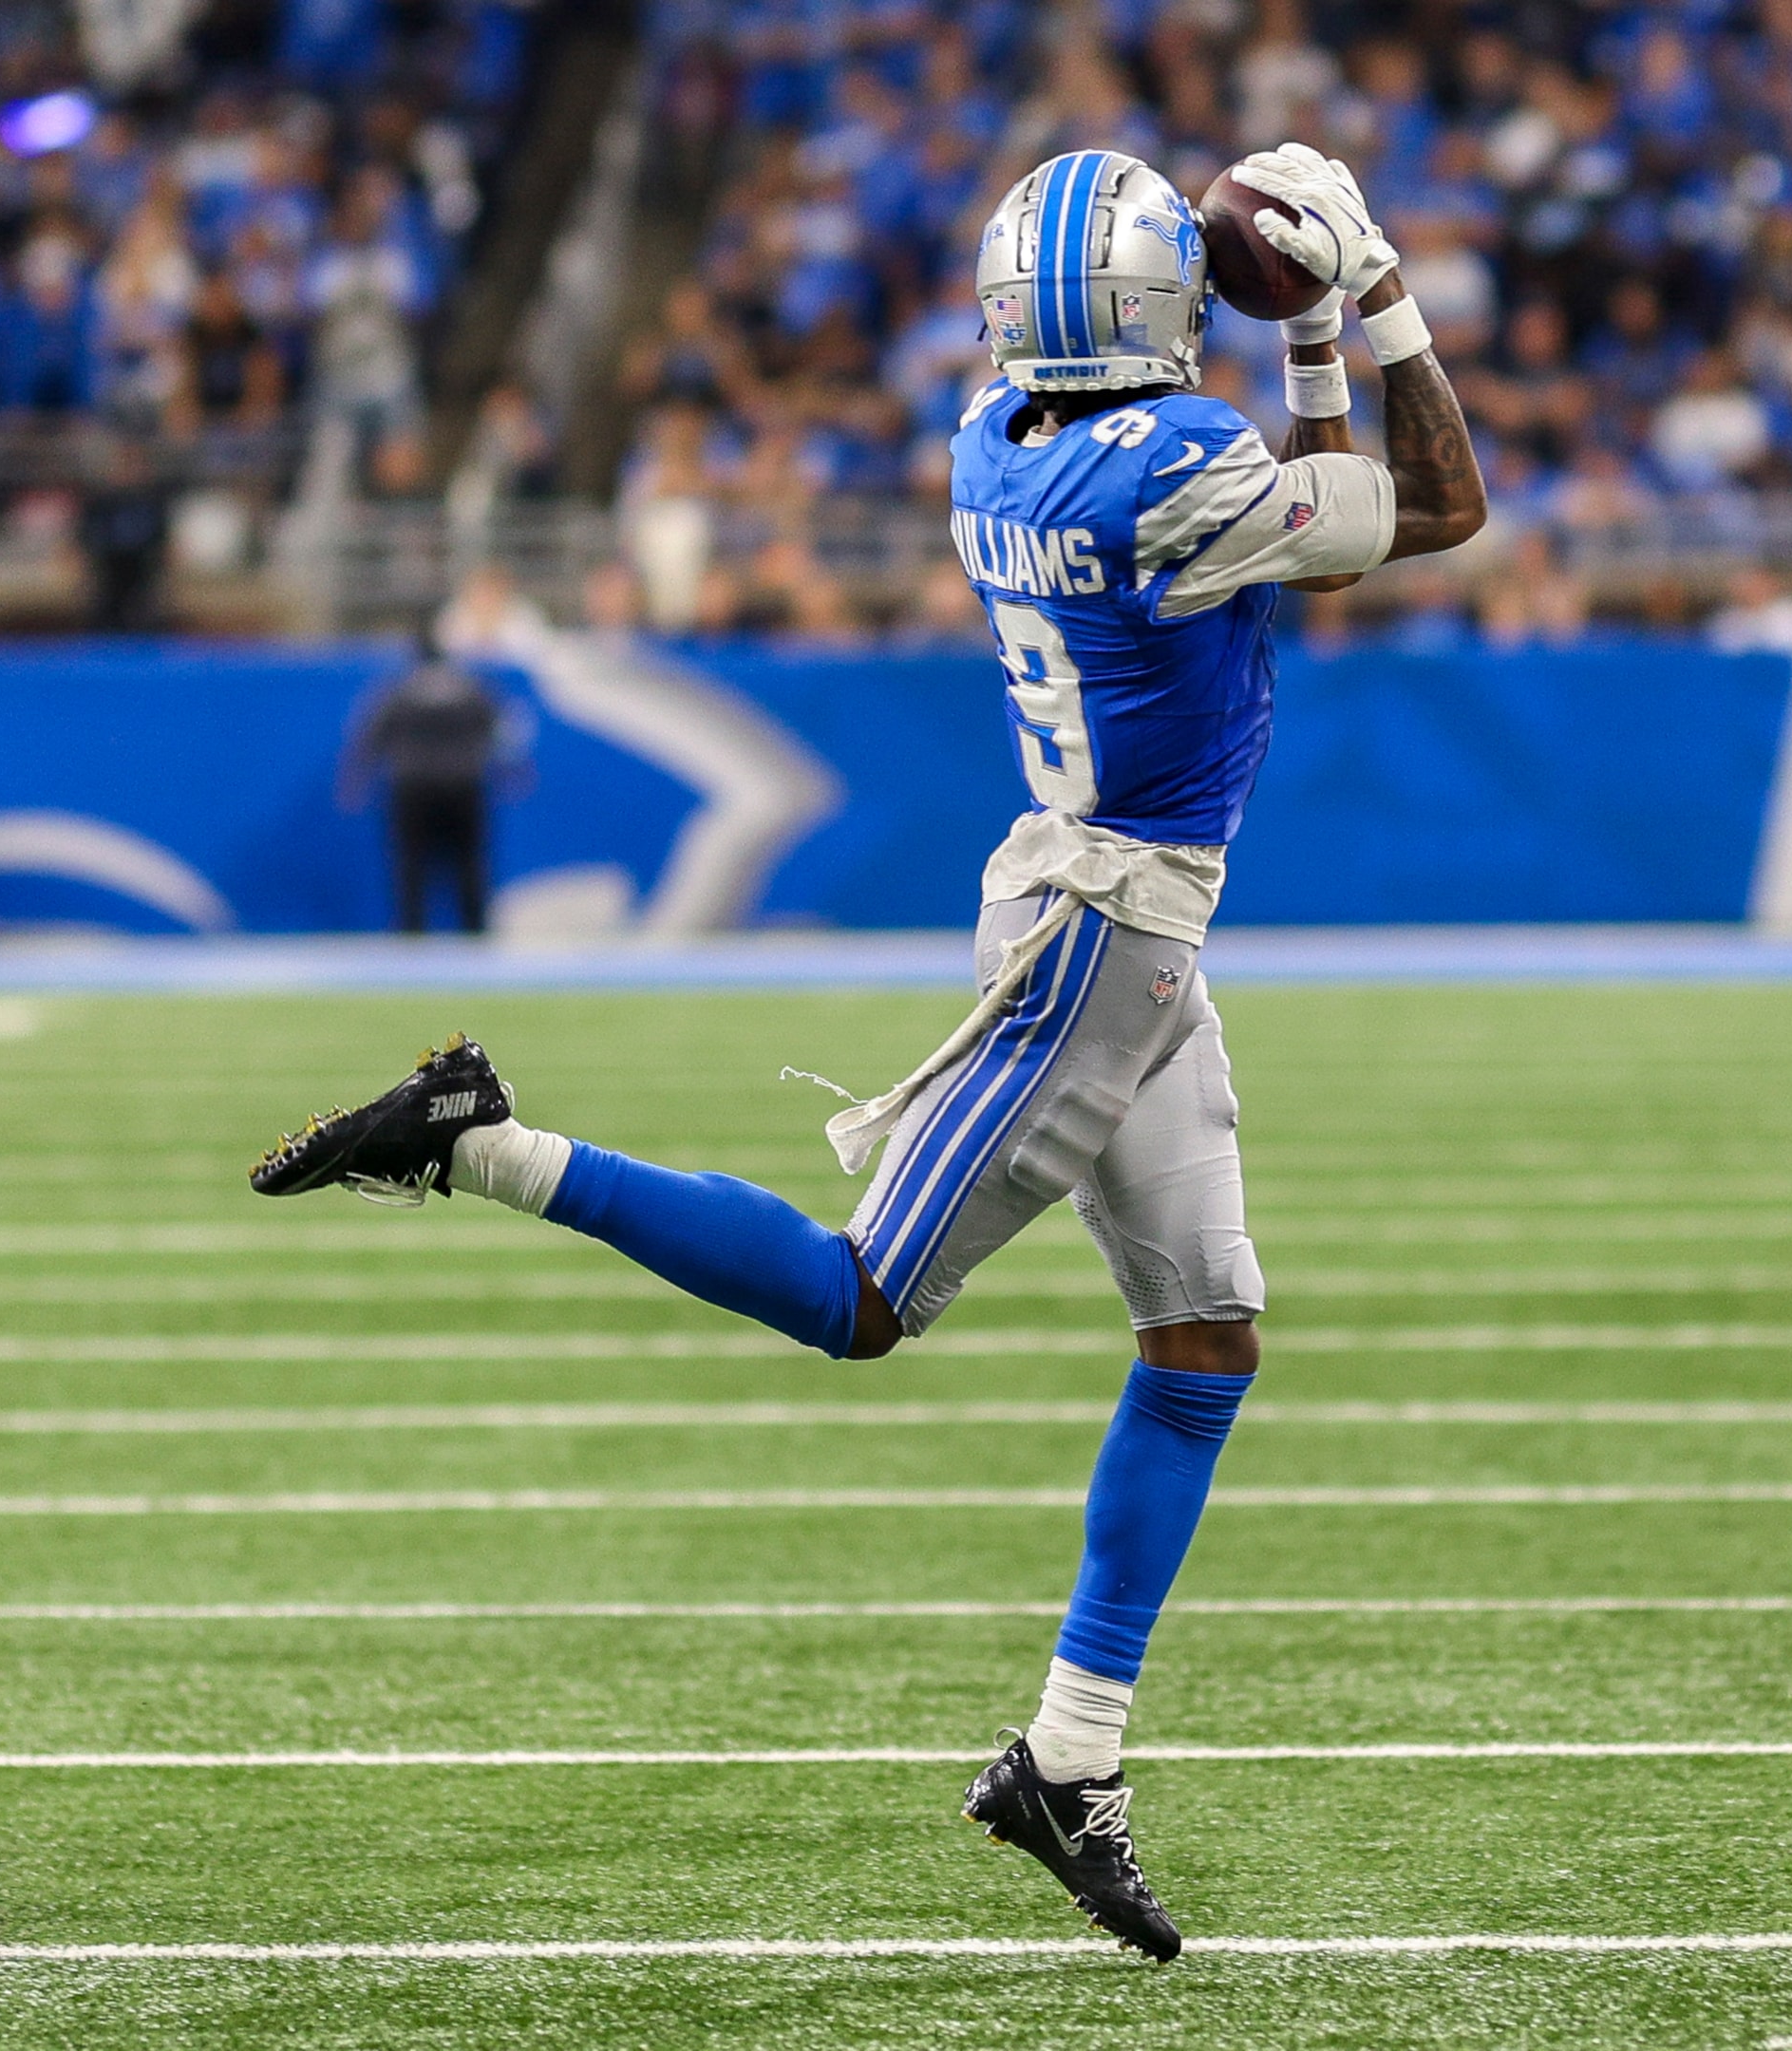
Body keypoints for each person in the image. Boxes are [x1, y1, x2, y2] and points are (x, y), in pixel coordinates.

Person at [255, 143, 1486, 1957]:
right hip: (1107, 938)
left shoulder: (997, 434)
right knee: (861, 1304)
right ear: (1158, 308)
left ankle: (1068, 1763)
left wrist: (1297, 347)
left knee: (1205, 1340)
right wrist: (1368, 302)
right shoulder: (1172, 471)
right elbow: (1432, 509)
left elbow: (1300, 517)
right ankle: (481, 1139)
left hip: (1109, 908)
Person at [337, 624, 516, 934]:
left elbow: (368, 739)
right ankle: (476, 934)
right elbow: (503, 735)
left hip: (413, 786)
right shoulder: (471, 687)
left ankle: (413, 934)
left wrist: (354, 782)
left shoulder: (398, 690)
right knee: (469, 864)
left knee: (411, 866)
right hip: (463, 784)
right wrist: (511, 774)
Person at [74, 438, 172, 630]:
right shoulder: (100, 502)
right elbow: (83, 539)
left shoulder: (152, 502)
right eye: (125, 466)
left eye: (135, 466)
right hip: (107, 572)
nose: (130, 472)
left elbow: (163, 542)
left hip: (141, 571)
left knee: (144, 616)